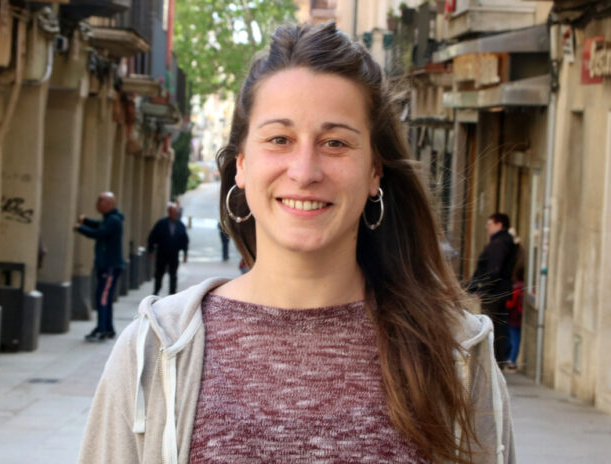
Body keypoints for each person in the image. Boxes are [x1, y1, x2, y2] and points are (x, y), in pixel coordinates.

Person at [80, 23, 514, 464]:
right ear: (242, 165)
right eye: (279, 140)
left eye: (335, 142)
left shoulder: (458, 355)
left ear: (374, 172)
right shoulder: (153, 351)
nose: (305, 171)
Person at [467, 213, 518, 367]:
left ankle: (493, 362)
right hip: (497, 291)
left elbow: (493, 270)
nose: (487, 227)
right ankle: (496, 362)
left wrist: (482, 290)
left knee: (491, 329)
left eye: (490, 223)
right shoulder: (502, 242)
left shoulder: (500, 243)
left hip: (494, 293)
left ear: (499, 224)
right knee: (497, 328)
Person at [75, 192, 125, 341]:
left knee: (103, 298)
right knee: (105, 298)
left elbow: (100, 233)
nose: (97, 204)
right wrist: (86, 221)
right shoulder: (109, 219)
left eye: (100, 201)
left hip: (110, 267)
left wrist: (80, 228)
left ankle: (102, 329)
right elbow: (98, 225)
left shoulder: (113, 220)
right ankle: (107, 328)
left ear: (109, 204)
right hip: (107, 266)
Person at [147, 203, 189, 295]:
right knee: (159, 273)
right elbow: (152, 237)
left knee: (173, 274)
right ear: (169, 212)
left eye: (175, 212)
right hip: (162, 253)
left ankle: (172, 292)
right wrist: (150, 250)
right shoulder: (161, 223)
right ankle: (156, 290)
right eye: (173, 212)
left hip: (174, 254)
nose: (175, 214)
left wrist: (185, 254)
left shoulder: (180, 225)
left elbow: (185, 240)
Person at [505, 267, 525, 373]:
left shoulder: (516, 287)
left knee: (513, 339)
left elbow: (510, 303)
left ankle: (511, 360)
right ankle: (512, 359)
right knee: (516, 339)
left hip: (513, 316)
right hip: (520, 316)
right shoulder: (525, 286)